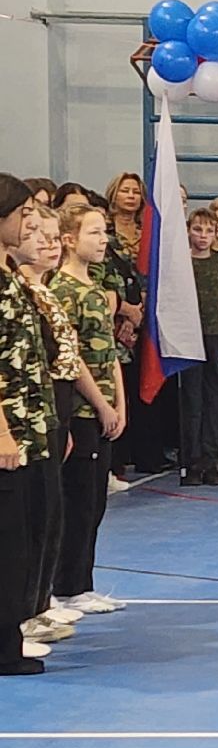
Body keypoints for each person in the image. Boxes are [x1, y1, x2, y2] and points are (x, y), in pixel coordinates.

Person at [48, 202, 126, 617]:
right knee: (77, 500)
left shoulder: (96, 287)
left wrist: (119, 403)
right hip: (79, 410)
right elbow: (71, 357)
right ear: (69, 240)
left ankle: (82, 582)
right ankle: (65, 585)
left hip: (102, 409)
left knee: (94, 500)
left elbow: (108, 350)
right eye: (94, 233)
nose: (103, 240)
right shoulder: (63, 291)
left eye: (105, 232)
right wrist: (99, 402)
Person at [0, 176, 61, 675]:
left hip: (30, 426)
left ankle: (10, 638)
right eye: (22, 214)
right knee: (8, 542)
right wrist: (2, 432)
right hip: (6, 431)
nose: (31, 223)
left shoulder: (14, 276)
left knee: (24, 540)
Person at [179, 208, 218, 486]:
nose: (203, 236)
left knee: (216, 404)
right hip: (188, 339)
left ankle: (210, 461)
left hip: (216, 338)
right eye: (198, 230)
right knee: (192, 403)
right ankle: (191, 462)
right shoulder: (181, 264)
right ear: (188, 230)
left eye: (209, 231)